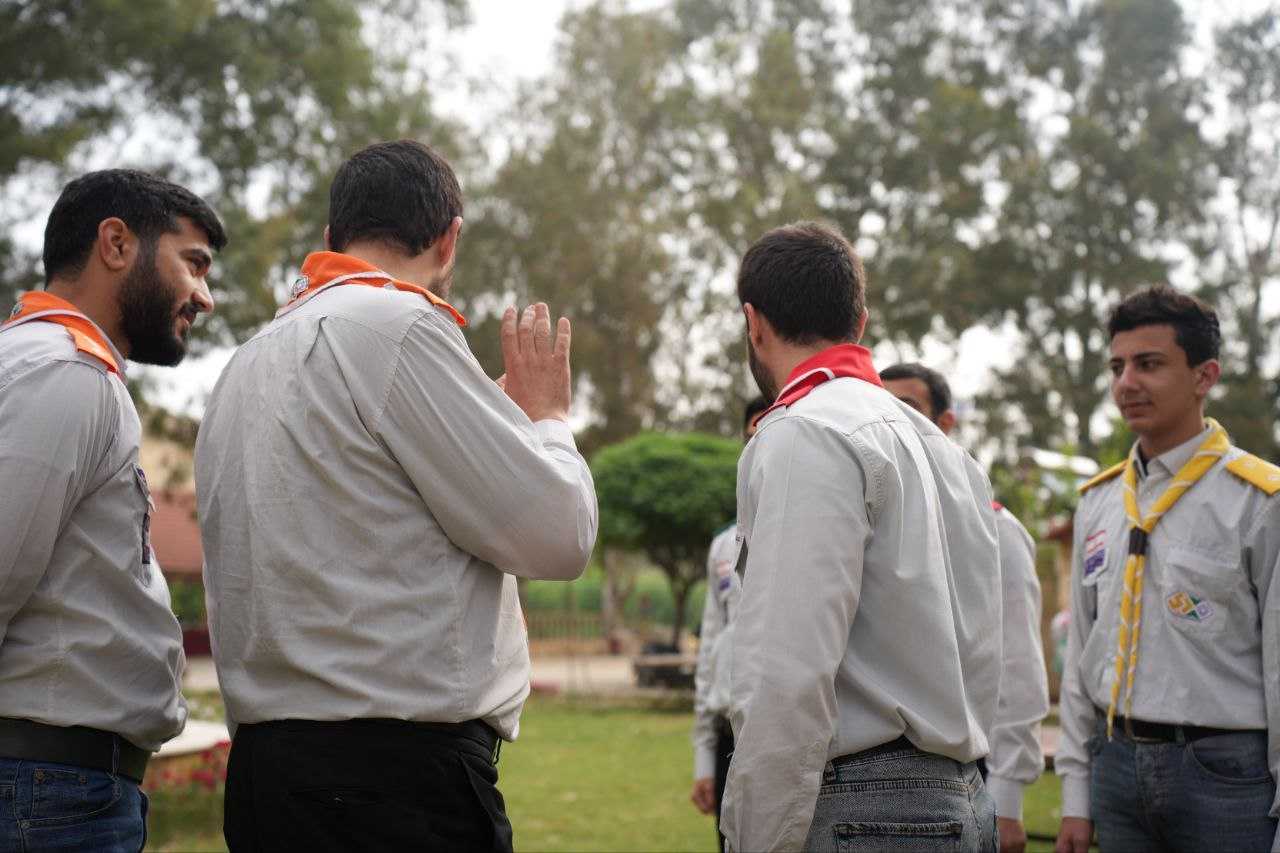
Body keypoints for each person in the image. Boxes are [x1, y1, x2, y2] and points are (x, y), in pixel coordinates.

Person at [195, 139, 598, 853]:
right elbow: (558, 535)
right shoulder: (400, 326)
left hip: (266, 777)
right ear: (449, 239)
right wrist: (546, 421)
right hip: (391, 784)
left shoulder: (245, 363)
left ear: (332, 236)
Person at [720, 221, 1002, 852]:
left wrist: (756, 836)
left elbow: (785, 671)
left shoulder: (805, 431)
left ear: (753, 323)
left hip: (865, 806)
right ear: (861, 322)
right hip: (961, 792)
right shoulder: (946, 452)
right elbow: (986, 653)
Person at [0, 169, 225, 851]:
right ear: (117, 244)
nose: (205, 297)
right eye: (193, 263)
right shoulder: (65, 372)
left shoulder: (46, 365)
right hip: (47, 790)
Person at [1055, 285, 1280, 853]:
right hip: (1115, 765)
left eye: (1149, 364)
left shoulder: (1259, 502)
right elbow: (1083, 651)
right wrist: (1076, 796)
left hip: (1225, 775)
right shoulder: (1099, 502)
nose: (1126, 383)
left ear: (1205, 376)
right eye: (1117, 367)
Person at [881, 362, 1051, 853]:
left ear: (946, 422)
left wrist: (1009, 800)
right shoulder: (884, 521)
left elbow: (1019, 666)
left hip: (972, 772)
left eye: (908, 407)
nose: (894, 420)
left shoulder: (996, 528)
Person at [690, 395, 769, 852]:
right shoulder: (724, 545)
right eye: (751, 434)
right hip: (729, 735)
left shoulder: (822, 531)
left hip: (791, 737)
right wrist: (704, 758)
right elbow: (711, 646)